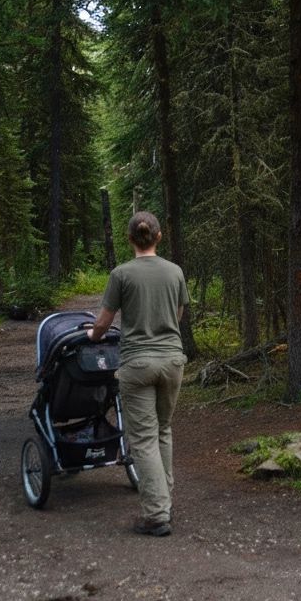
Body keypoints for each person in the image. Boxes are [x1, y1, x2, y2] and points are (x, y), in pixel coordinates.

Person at [88, 211, 188, 537]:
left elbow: (103, 322)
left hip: (138, 364)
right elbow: (177, 314)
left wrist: (93, 336)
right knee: (163, 430)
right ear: (159, 237)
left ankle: (156, 515)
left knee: (142, 439)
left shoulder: (121, 274)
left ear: (130, 239)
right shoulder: (175, 272)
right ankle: (164, 500)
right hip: (173, 362)